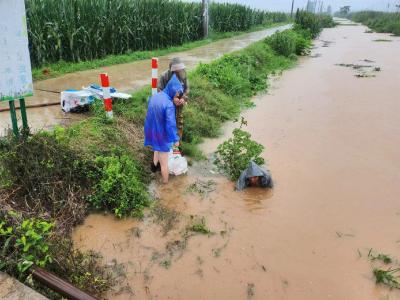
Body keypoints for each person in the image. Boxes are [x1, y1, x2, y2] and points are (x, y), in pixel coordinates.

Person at [144, 74, 183, 184]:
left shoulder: (155, 96)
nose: (177, 95)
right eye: (176, 93)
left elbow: (150, 107)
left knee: (156, 148)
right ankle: (165, 184)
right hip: (161, 134)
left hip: (151, 129)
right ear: (172, 89)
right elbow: (170, 125)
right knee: (165, 163)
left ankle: (153, 167)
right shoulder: (169, 104)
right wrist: (176, 140)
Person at [157, 57, 189, 140]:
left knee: (179, 122)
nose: (178, 71)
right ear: (171, 69)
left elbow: (186, 89)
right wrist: (172, 100)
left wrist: (183, 98)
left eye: (180, 69)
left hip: (179, 102)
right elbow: (160, 91)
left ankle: (177, 145)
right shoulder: (164, 76)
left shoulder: (183, 74)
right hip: (167, 104)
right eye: (176, 69)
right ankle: (166, 143)